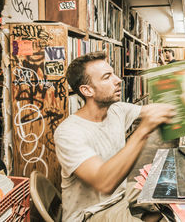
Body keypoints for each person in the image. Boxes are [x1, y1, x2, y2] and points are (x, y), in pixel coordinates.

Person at [54, 51, 175, 222]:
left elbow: (161, 110)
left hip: (120, 194)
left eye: (114, 74)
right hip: (90, 213)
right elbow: (104, 182)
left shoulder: (116, 109)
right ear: (87, 90)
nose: (118, 80)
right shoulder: (68, 132)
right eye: (106, 77)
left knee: (172, 191)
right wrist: (143, 130)